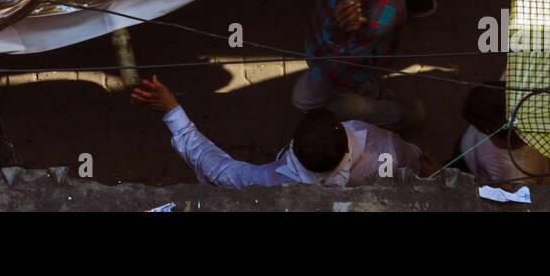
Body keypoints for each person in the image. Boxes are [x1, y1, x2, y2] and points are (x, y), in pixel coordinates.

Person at [132, 76, 436, 187]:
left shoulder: (270, 180)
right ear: (345, 143)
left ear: (293, 146)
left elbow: (213, 164)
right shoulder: (377, 147)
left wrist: (173, 111)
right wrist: (426, 166)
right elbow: (411, 157)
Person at [291, 0, 422, 131]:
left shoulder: (383, 13)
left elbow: (341, 60)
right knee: (361, 86)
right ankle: (374, 92)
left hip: (342, 65)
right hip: (318, 44)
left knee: (303, 101)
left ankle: (398, 117)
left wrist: (339, 30)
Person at [456, 80, 550, 191]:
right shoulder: (510, 106)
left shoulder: (516, 177)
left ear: (486, 130)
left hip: (477, 172)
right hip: (468, 156)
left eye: (475, 124)